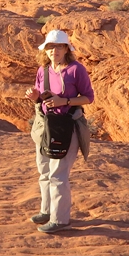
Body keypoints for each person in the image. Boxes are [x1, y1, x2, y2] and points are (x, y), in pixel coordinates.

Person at [24, 29, 94, 233]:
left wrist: (65, 101)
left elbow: (88, 97)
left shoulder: (75, 70)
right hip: (46, 125)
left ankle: (60, 219)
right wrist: (35, 96)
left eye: (59, 46)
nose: (54, 50)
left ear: (66, 49)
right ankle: (46, 211)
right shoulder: (43, 70)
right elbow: (41, 98)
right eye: (50, 47)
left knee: (58, 174)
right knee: (44, 170)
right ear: (45, 50)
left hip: (67, 126)